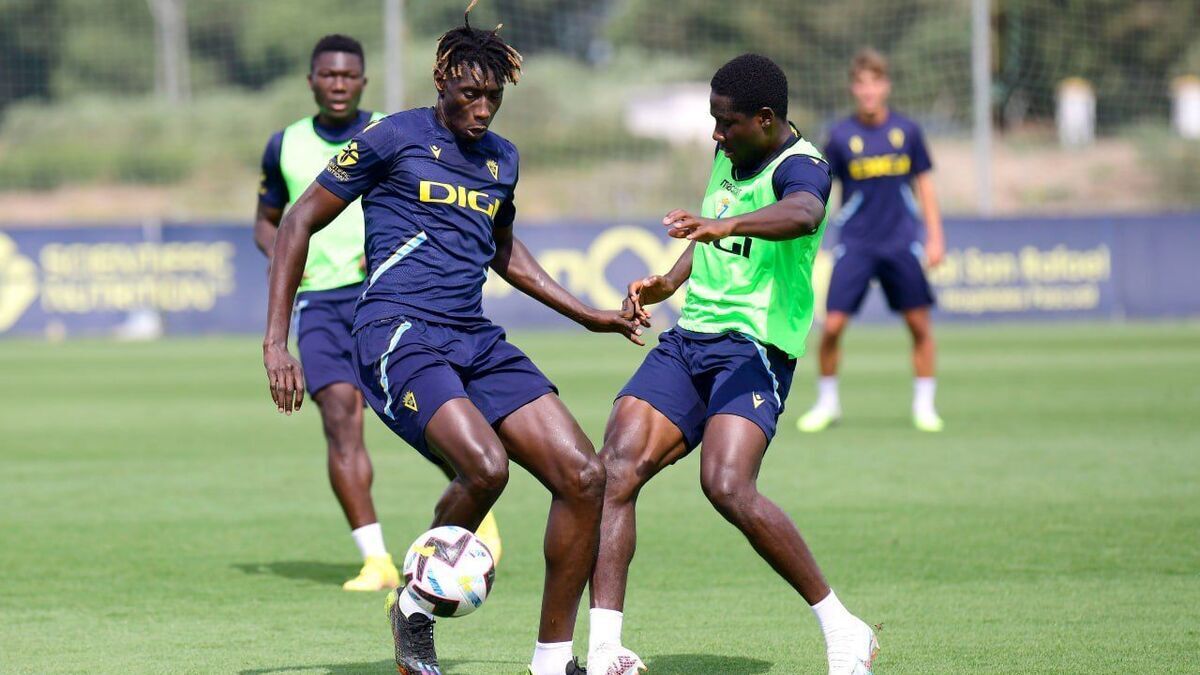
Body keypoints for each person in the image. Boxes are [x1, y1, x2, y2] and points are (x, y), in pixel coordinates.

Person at [260, 3, 644, 673]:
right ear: (441, 81)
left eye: (493, 96)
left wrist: (587, 314)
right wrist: (275, 342)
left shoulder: (502, 160)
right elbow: (295, 223)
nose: (484, 108)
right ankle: (415, 602)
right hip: (395, 332)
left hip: (474, 336)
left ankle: (552, 661)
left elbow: (505, 252)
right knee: (486, 466)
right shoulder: (390, 137)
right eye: (470, 93)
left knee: (585, 476)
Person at [586, 54, 879, 675]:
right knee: (612, 472)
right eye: (713, 120)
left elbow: (803, 214)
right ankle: (606, 651)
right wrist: (668, 281)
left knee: (725, 485)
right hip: (689, 337)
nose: (715, 134)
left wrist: (723, 224)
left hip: (755, 348)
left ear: (766, 119)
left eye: (727, 123)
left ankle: (842, 626)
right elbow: (711, 238)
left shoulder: (803, 166)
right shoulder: (731, 151)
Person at [253, 34, 501, 593]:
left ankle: (473, 502)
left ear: (363, 81)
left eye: (349, 76)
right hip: (321, 303)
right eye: (328, 76)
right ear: (312, 80)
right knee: (341, 420)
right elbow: (272, 221)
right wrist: (290, 263)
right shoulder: (284, 144)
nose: (338, 85)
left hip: (390, 301)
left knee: (435, 420)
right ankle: (377, 560)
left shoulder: (395, 131)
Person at [797, 47, 946, 434]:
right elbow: (824, 193)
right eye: (861, 84)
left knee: (919, 326)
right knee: (831, 328)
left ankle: (924, 406)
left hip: (901, 243)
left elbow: (925, 187)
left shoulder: (907, 131)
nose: (868, 91)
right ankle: (827, 404)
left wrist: (935, 237)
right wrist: (808, 236)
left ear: (885, 86)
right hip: (857, 244)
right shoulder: (841, 136)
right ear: (853, 88)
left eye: (874, 83)